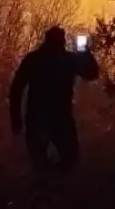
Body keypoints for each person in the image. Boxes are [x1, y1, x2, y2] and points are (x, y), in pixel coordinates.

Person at [9, 24, 99, 175]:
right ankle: (53, 187)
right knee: (68, 161)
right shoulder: (67, 60)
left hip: (39, 119)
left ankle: (48, 188)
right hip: (58, 119)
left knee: (41, 165)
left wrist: (16, 120)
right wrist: (85, 53)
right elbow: (91, 74)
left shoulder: (34, 59)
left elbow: (16, 89)